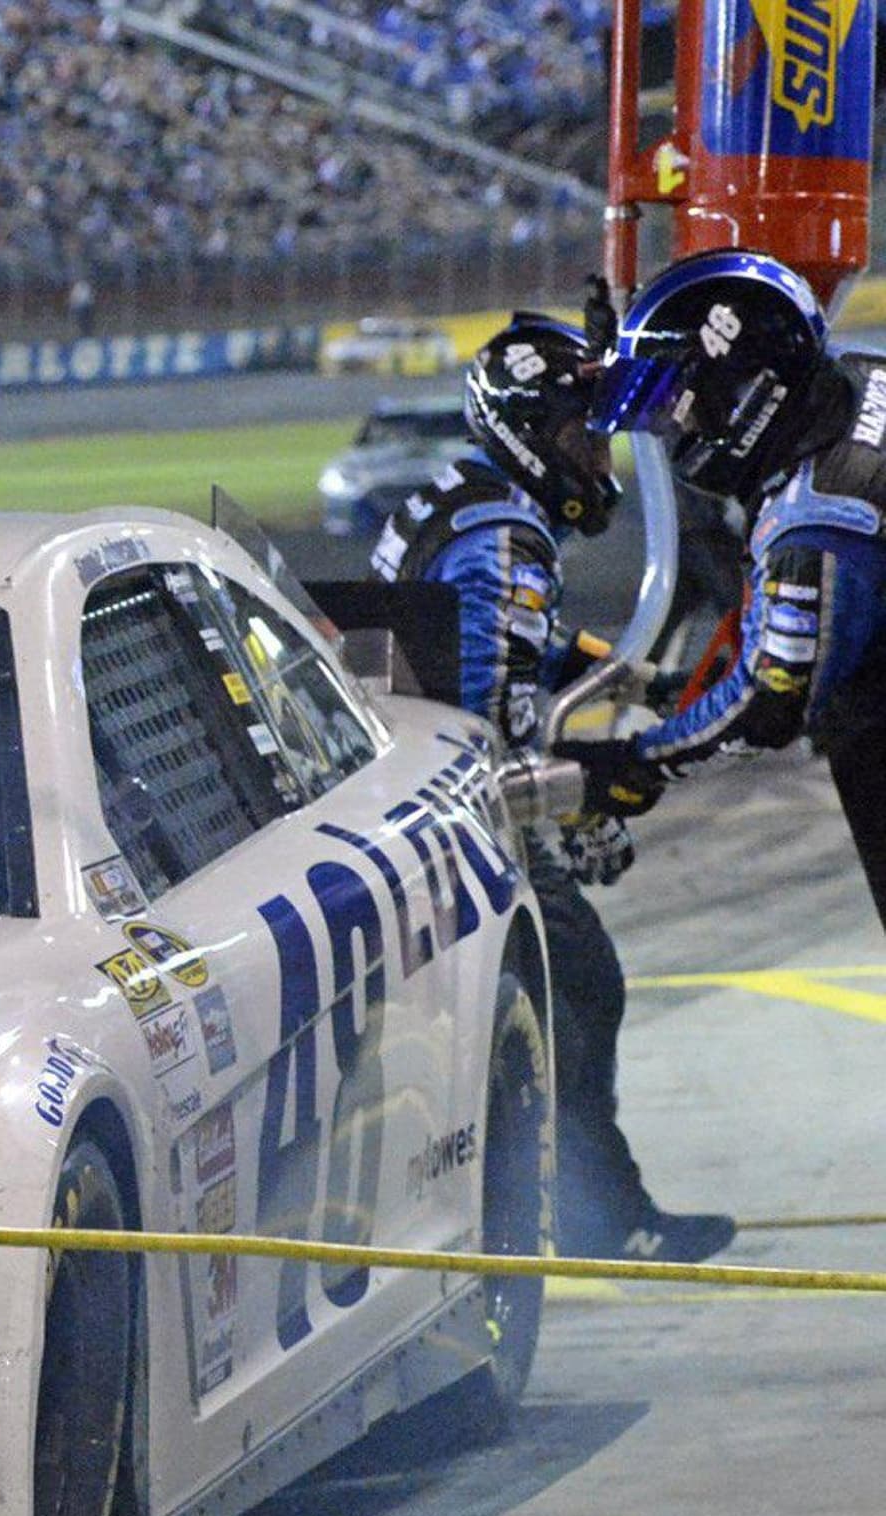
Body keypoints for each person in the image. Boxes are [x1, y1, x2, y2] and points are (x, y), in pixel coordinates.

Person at [372, 313, 732, 1263]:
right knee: (576, 987)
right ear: (528, 432)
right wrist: (568, 822)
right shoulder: (506, 539)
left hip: (408, 796)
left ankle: (584, 1212)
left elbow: (508, 657)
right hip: (462, 816)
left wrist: (631, 677)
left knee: (559, 999)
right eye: (579, 432)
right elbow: (489, 711)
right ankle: (594, 1217)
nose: (595, 453)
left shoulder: (472, 502)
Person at [595, 250, 886, 930]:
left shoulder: (815, 520)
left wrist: (642, 760)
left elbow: (767, 702)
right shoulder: (858, 374)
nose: (675, 431)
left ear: (743, 390)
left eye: (678, 405)